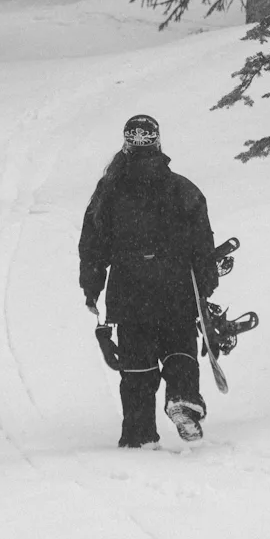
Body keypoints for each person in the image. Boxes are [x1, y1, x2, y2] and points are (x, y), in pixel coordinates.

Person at [78, 113, 219, 447]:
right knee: (179, 348)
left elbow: (92, 246)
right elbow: (202, 242)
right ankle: (182, 397)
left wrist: (92, 288)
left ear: (127, 144)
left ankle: (139, 436)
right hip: (176, 288)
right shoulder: (182, 189)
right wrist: (206, 283)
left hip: (129, 292)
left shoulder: (109, 192)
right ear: (157, 143)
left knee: (137, 366)